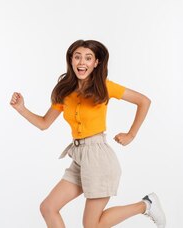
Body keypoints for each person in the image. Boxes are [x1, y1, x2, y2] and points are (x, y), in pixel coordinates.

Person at [9, 40, 166, 228]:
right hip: (79, 157)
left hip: (99, 157)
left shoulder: (105, 86)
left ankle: (146, 205)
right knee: (48, 208)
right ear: (71, 60)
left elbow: (143, 101)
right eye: (77, 57)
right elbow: (44, 123)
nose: (82, 62)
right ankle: (146, 204)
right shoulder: (65, 91)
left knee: (92, 225)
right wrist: (21, 109)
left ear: (96, 63)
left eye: (88, 58)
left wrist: (131, 135)